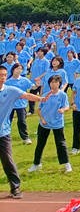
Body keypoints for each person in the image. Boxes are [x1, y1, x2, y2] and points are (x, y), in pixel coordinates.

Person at [0, 66, 45, 198]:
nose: (2, 77)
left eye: (3, 75)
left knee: (8, 160)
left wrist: (41, 99)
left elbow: (26, 95)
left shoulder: (11, 90)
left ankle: (15, 188)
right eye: (0, 75)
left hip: (3, 133)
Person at [29, 74, 72, 174]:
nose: (54, 84)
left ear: (59, 84)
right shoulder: (45, 94)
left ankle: (66, 164)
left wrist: (62, 109)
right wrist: (42, 119)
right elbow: (38, 109)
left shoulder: (62, 95)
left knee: (61, 144)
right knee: (40, 144)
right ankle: (36, 164)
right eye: (52, 82)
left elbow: (67, 106)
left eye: (56, 82)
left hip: (57, 123)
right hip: (44, 123)